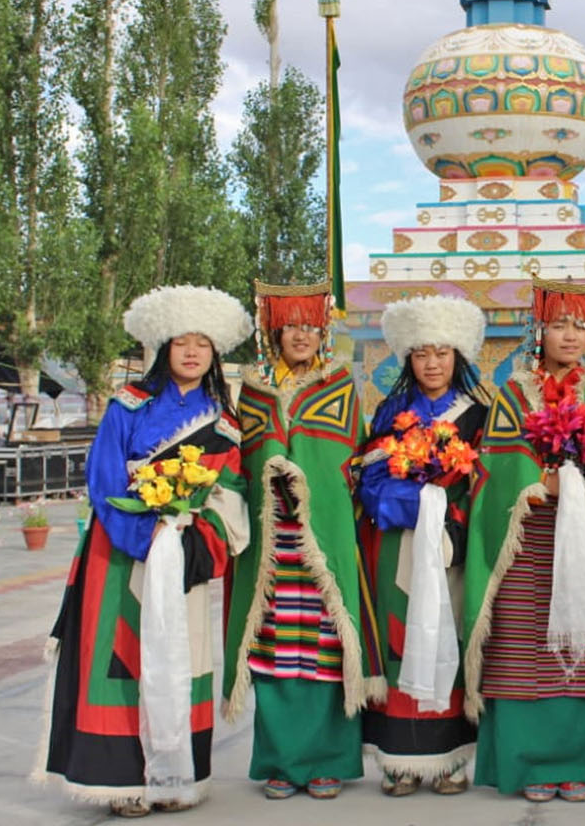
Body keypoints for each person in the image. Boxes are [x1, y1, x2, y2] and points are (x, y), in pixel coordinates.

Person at [33, 285, 253, 817]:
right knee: (121, 659)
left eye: (203, 344)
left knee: (186, 657)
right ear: (164, 347)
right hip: (121, 556)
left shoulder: (223, 421)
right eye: (183, 342)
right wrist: (146, 534)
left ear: (215, 353)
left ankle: (177, 776)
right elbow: (105, 478)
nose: (193, 353)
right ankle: (121, 781)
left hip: (187, 555)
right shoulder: (128, 407)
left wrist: (199, 542)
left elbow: (232, 491)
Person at [463, 277, 585, 803]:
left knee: (582, 650)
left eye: (580, 326)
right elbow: (496, 462)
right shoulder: (514, 392)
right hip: (527, 543)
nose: (570, 336)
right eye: (559, 325)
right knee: (521, 648)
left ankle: (577, 763)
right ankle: (525, 763)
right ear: (540, 330)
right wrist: (539, 483)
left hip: (582, 540)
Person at [222, 281, 378, 801]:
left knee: (325, 651)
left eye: (311, 326)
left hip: (324, 547)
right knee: (273, 652)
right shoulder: (255, 392)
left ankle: (329, 761)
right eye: (291, 325)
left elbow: (350, 463)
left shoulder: (339, 387)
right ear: (274, 331)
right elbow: (241, 464)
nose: (302, 336)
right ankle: (281, 762)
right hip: (272, 549)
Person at [353, 295, 489, 796]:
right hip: (398, 545)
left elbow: (486, 488)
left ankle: (451, 759)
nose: (431, 364)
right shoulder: (391, 412)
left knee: (447, 638)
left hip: (451, 548)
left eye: (441, 354)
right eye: (421, 354)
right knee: (399, 639)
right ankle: (398, 761)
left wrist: (449, 518)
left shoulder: (479, 415)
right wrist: (405, 500)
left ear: (458, 357)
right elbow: (366, 479)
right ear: (407, 359)